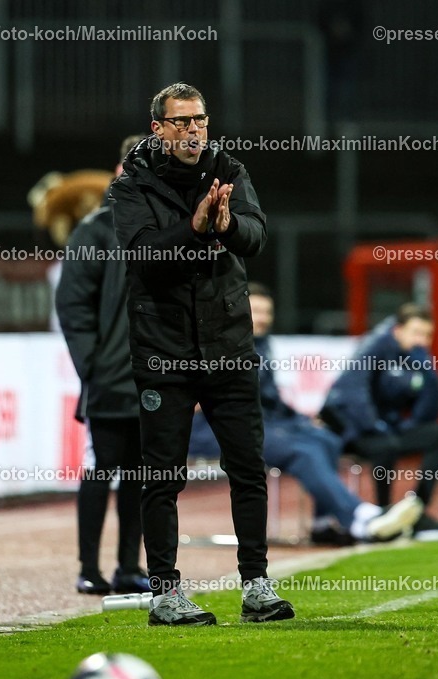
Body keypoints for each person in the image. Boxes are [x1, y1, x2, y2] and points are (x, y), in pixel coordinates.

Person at [110, 82, 292, 627]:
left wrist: (227, 224)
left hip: (228, 346)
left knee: (248, 468)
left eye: (200, 121)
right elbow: (144, 258)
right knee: (162, 477)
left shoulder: (229, 170)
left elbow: (256, 236)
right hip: (163, 350)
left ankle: (256, 586)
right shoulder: (131, 184)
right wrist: (193, 228)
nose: (194, 131)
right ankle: (165, 594)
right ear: (158, 129)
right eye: (182, 122)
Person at [191, 283, 424, 545]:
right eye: (256, 310)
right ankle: (360, 518)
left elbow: (270, 400)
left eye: (267, 312)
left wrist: (302, 420)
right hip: (213, 429)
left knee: (326, 438)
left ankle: (321, 524)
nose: (263, 318)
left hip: (258, 424)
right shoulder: (215, 345)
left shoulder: (261, 345)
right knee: (303, 451)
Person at [56, 135, 150, 596]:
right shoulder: (94, 231)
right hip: (111, 380)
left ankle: (129, 567)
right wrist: (93, 365)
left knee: (141, 476)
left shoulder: (164, 226)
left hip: (155, 378)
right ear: (119, 170)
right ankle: (89, 568)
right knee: (102, 469)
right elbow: (72, 306)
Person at [321, 304, 438, 516]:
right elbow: (354, 392)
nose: (422, 340)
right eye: (416, 333)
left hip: (388, 428)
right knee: (386, 446)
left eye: (427, 335)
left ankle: (417, 509)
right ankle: (384, 513)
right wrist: (376, 426)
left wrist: (430, 376)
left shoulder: (416, 358)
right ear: (398, 331)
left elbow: (429, 414)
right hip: (353, 429)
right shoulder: (375, 346)